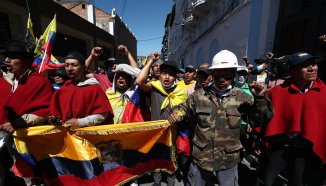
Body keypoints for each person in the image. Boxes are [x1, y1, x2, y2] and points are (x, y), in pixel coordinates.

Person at [168, 50, 272, 186]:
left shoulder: (242, 97)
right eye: (218, 75)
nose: (222, 79)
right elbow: (184, 108)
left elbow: (259, 120)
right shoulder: (199, 95)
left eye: (227, 75)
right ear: (213, 75)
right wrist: (177, 113)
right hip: (201, 156)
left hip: (228, 159)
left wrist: (260, 99)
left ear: (234, 74)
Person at [260, 52, 326, 186]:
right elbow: (264, 119)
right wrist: (259, 99)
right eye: (305, 66)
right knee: (265, 181)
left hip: (307, 149)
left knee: (299, 183)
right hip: (279, 145)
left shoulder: (324, 92)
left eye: (313, 64)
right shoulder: (277, 91)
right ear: (293, 71)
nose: (312, 69)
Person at [0, 40, 53, 186]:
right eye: (6, 57)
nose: (7, 60)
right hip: (4, 142)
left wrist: (16, 123)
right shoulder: (4, 82)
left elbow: (47, 112)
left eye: (12, 57)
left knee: (30, 179)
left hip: (28, 144)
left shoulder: (39, 82)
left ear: (27, 61)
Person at [135, 52, 188, 186]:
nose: (167, 77)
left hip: (172, 133)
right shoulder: (154, 87)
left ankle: (170, 182)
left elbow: (184, 110)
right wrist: (151, 61)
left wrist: (179, 115)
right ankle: (157, 182)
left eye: (171, 74)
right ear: (160, 74)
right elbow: (139, 81)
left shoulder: (180, 92)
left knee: (171, 158)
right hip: (156, 132)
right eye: (164, 73)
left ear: (175, 77)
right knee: (156, 157)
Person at [50, 52, 114, 128]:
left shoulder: (94, 88)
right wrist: (56, 120)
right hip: (68, 136)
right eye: (67, 65)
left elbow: (102, 114)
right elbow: (58, 115)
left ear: (83, 67)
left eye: (74, 65)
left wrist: (80, 122)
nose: (70, 69)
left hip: (89, 137)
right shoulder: (63, 89)